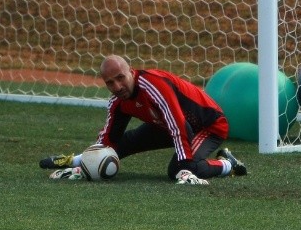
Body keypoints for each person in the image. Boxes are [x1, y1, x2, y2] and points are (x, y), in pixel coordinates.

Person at [39, 55, 247, 185]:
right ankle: (72, 159)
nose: (117, 86)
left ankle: (228, 164)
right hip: (170, 126)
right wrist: (83, 164)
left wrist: (185, 164)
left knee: (178, 170)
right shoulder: (118, 102)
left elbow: (177, 122)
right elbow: (109, 139)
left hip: (208, 126)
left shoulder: (153, 85)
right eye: (110, 83)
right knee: (124, 142)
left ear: (131, 72)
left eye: (120, 78)